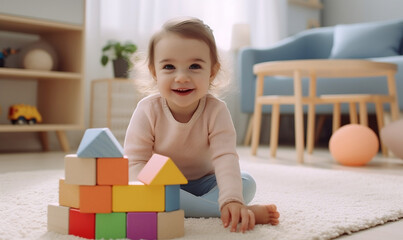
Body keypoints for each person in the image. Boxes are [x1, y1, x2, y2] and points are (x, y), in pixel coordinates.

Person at [124, 17, 280, 233]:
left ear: (212, 72)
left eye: (194, 66)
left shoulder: (216, 110)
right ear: (154, 72)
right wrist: (148, 190)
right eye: (169, 66)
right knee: (144, 193)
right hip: (163, 185)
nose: (181, 77)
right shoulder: (147, 109)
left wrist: (231, 199)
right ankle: (226, 210)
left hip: (206, 181)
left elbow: (225, 157)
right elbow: (135, 162)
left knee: (246, 182)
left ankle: (221, 207)